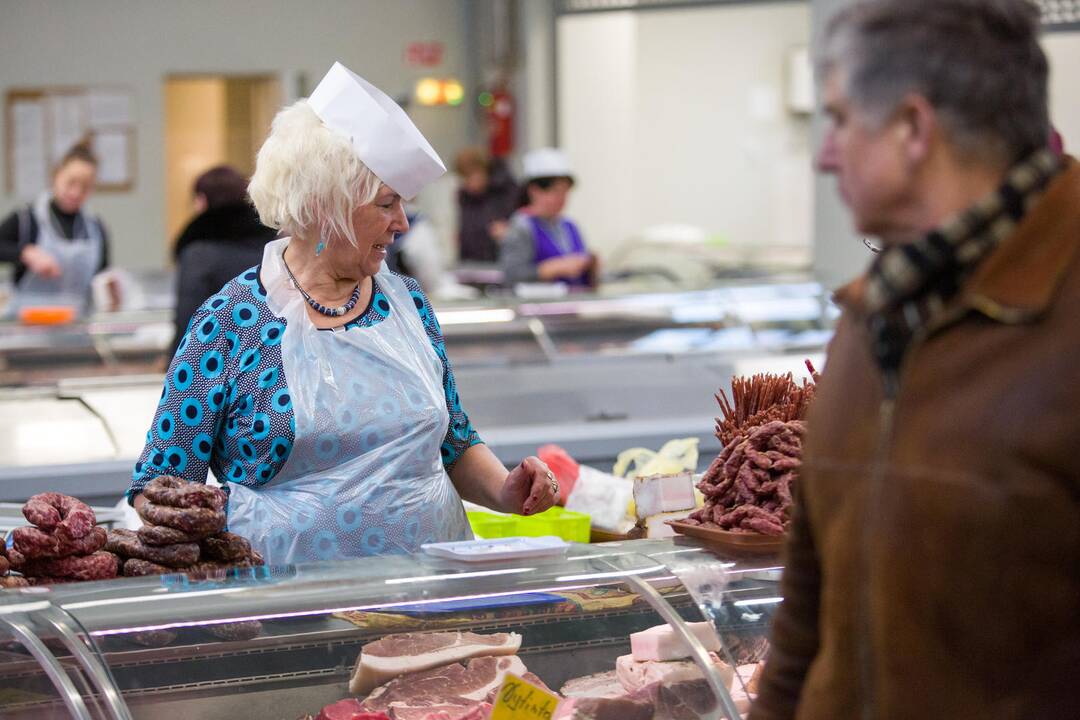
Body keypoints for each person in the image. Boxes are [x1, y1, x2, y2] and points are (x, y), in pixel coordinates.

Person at [751, 2, 1079, 718]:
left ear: (913, 129)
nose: (824, 154)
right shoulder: (874, 313)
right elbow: (806, 620)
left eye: (839, 120)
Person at [128, 62, 560, 565]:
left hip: (431, 589)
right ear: (323, 207)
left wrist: (508, 492)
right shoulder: (229, 322)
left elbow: (453, 442)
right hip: (288, 610)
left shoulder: (407, 305)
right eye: (386, 203)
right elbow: (158, 487)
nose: (401, 223)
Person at [169, 165, 278, 358]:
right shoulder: (276, 247)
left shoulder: (199, 255)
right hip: (273, 359)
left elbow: (188, 321)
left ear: (202, 201)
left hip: (217, 365)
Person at [0, 141, 110, 313]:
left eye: (85, 187)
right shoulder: (26, 220)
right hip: (27, 331)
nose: (76, 192)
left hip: (77, 329)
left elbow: (102, 277)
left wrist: (111, 291)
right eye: (71, 182)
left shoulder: (96, 229)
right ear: (56, 175)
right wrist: (24, 253)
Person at [499, 148, 598, 288]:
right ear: (534, 190)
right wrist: (551, 268)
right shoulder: (522, 226)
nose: (561, 198)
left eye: (565, 192)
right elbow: (512, 275)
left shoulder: (569, 226)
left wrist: (590, 265)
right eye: (555, 191)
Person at [454, 147, 518, 263]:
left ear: (484, 170)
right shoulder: (465, 198)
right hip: (472, 263)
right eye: (465, 178)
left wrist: (508, 232)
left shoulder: (506, 193)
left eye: (472, 175)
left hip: (500, 260)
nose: (470, 182)